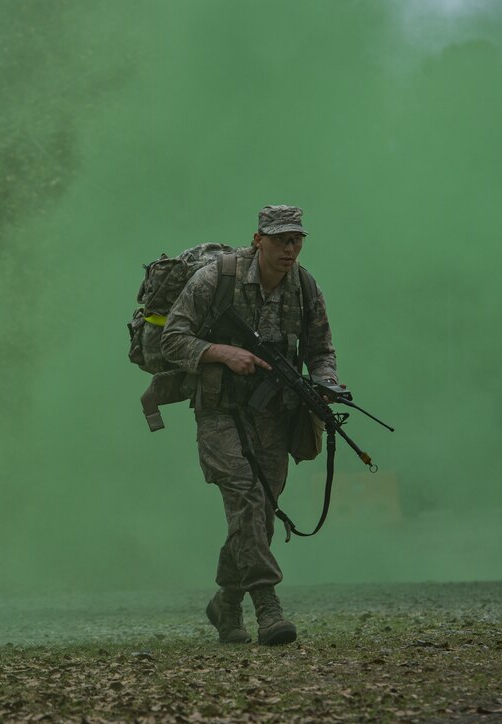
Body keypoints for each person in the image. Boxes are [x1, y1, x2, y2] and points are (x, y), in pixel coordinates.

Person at [160, 205, 338, 646]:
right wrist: (222, 353)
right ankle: (267, 606)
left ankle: (226, 603)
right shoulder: (214, 281)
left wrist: (326, 385)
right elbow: (172, 339)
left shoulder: (305, 287)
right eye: (280, 240)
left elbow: (321, 350)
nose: (290, 248)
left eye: (297, 239)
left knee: (260, 511)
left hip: (274, 415)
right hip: (219, 410)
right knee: (244, 498)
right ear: (259, 239)